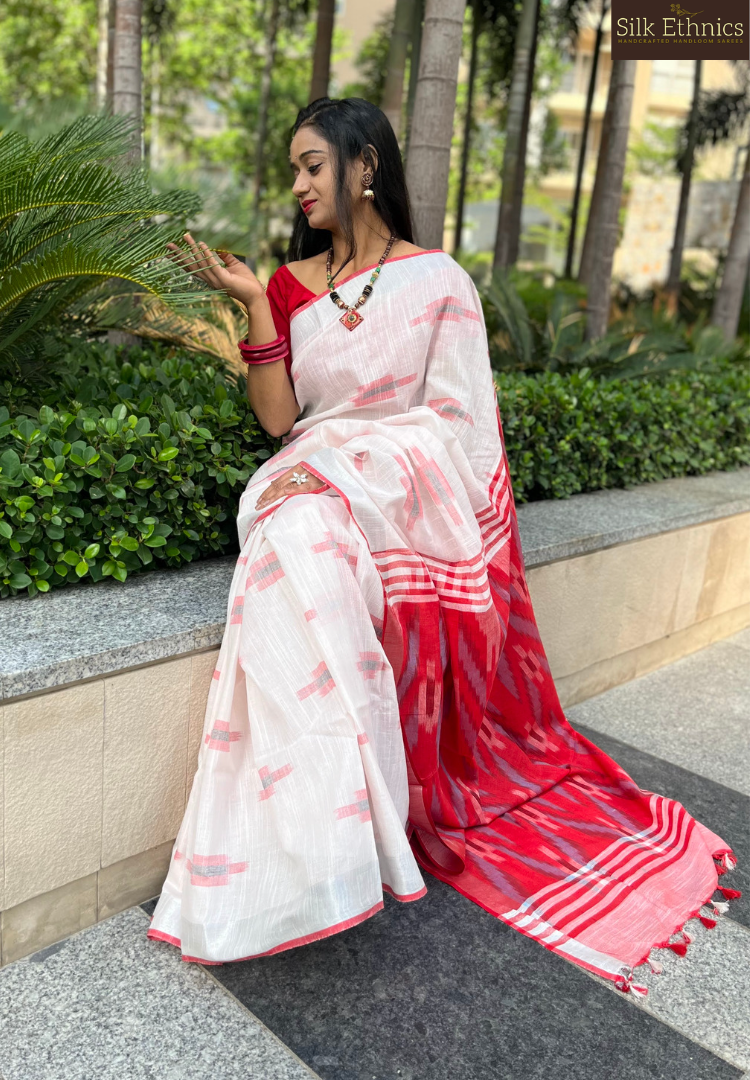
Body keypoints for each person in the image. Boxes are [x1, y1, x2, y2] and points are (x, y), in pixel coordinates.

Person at [147, 98, 738, 991]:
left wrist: (357, 471)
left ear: (365, 166)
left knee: (305, 557)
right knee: (294, 544)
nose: (298, 185)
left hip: (390, 497)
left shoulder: (440, 281)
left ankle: (332, 845)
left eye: (313, 165)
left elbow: (455, 429)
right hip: (307, 478)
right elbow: (281, 423)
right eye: (294, 170)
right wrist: (247, 309)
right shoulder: (286, 284)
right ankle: (319, 849)